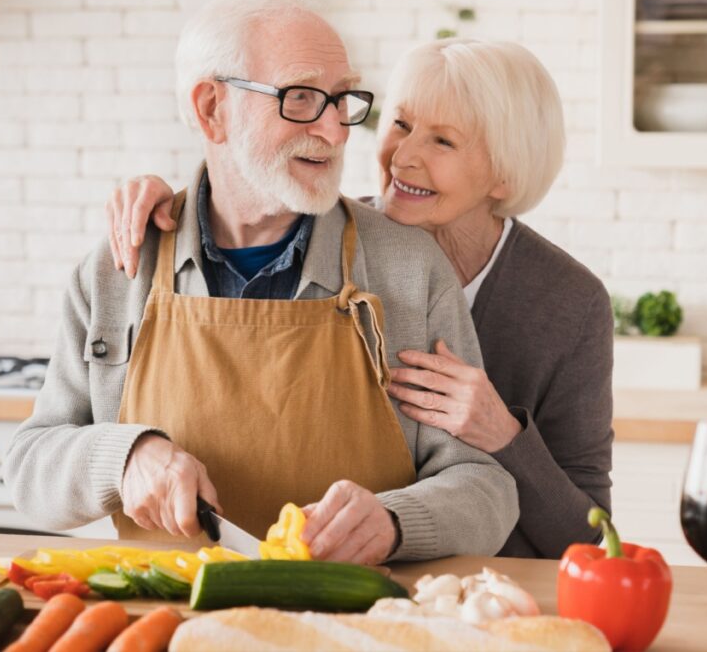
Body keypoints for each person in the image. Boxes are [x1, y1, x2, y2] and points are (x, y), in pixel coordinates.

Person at [4, 0, 518, 566]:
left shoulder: (410, 268)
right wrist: (124, 458)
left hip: (356, 626)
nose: (336, 131)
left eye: (342, 98)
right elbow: (29, 469)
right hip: (170, 625)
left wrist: (397, 521)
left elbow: (486, 487)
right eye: (301, 98)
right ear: (211, 110)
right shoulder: (118, 270)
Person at [106, 37, 614, 559]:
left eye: (443, 142)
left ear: (505, 172)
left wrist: (503, 434)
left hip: (496, 588)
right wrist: (168, 203)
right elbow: (241, 191)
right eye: (400, 124)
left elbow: (587, 535)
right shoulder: (325, 234)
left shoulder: (571, 304)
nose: (404, 158)